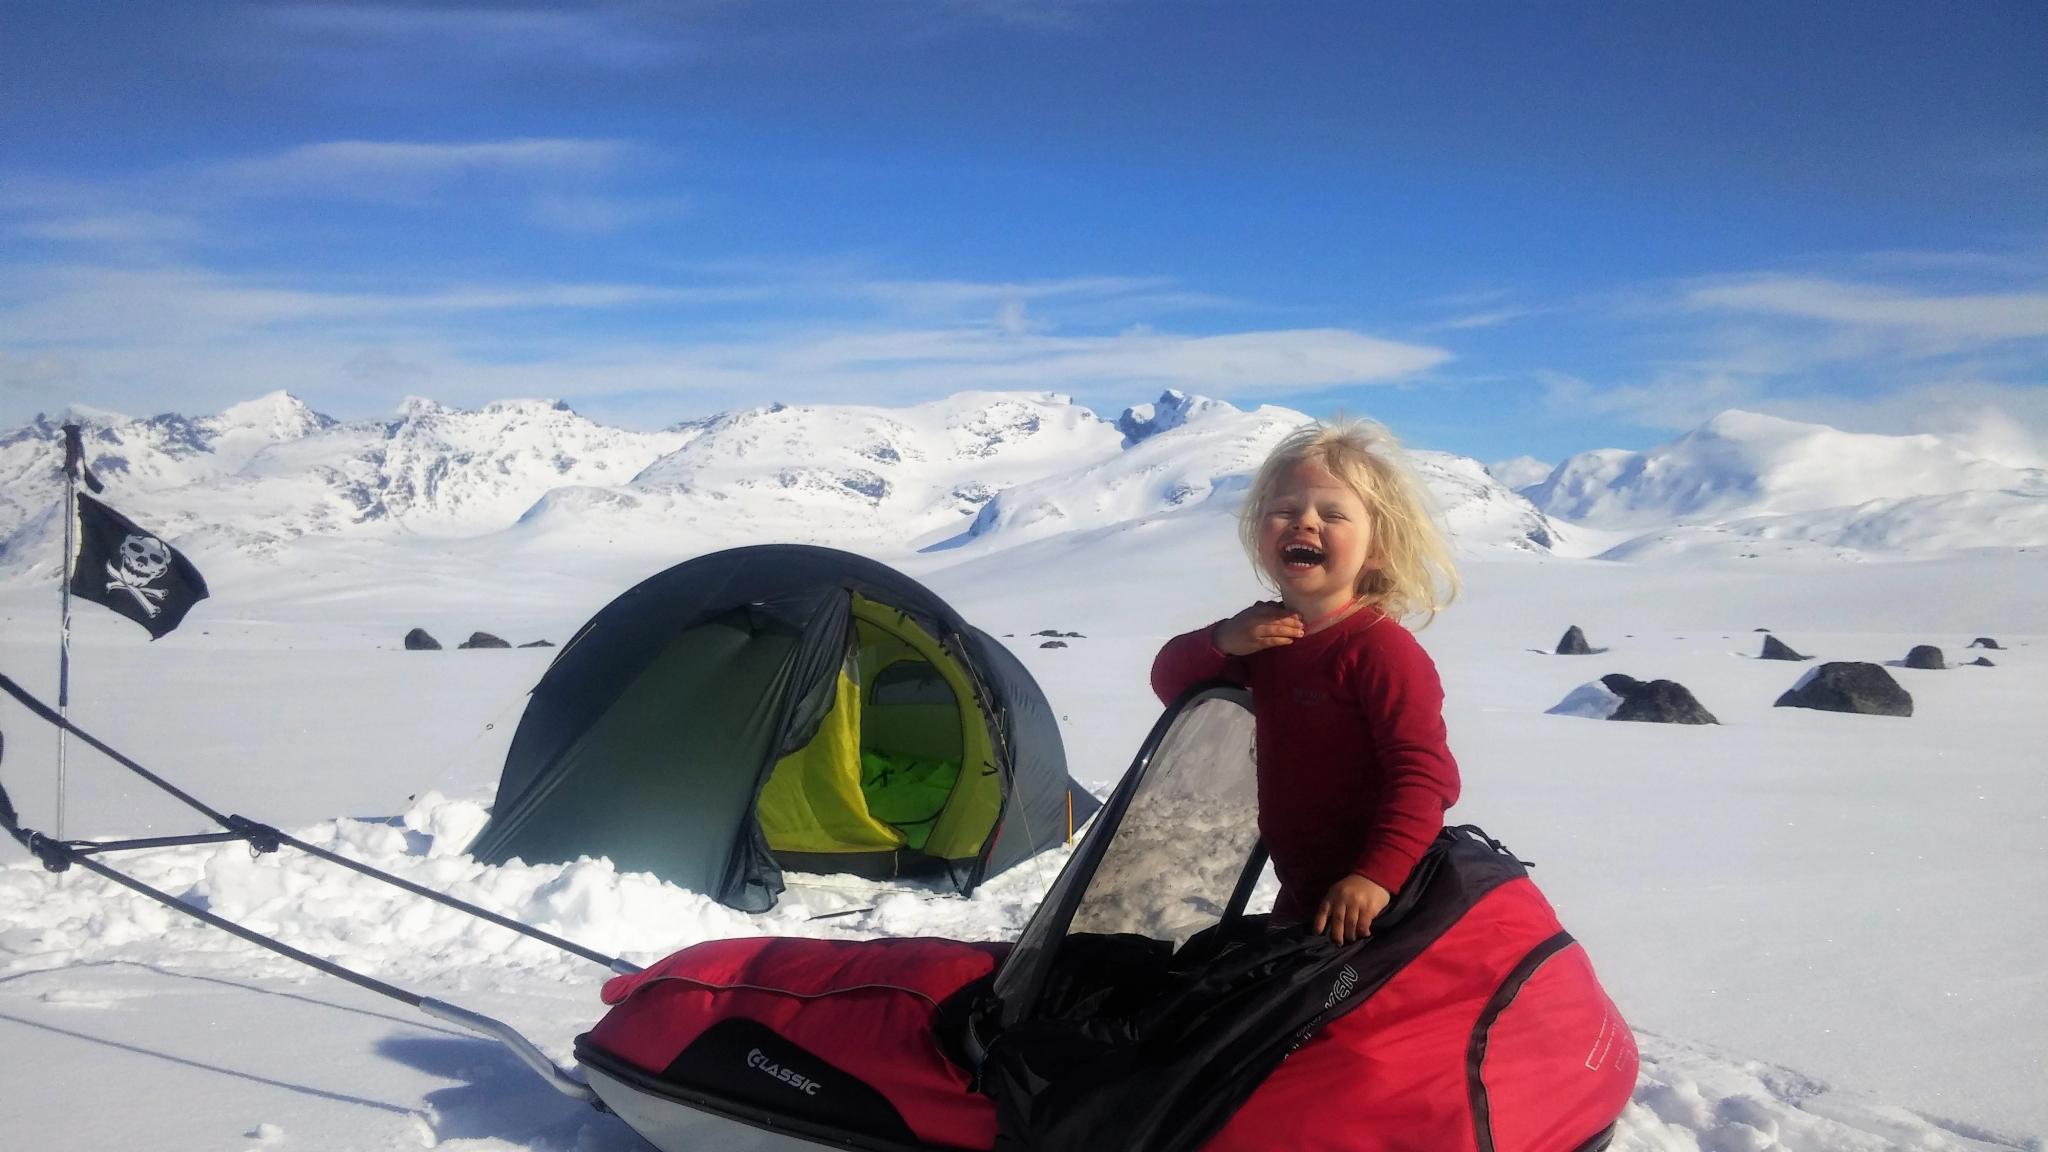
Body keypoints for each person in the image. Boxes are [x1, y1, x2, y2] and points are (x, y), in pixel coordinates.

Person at [1151, 418, 1461, 946]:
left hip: (1374, 903)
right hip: (1302, 889)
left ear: (1377, 548)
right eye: (1285, 512)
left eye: (1333, 514)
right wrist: (1223, 639)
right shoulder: (1268, 637)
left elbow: (1425, 777)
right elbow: (1171, 684)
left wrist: (1375, 877)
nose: (1305, 524)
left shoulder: (1380, 650)